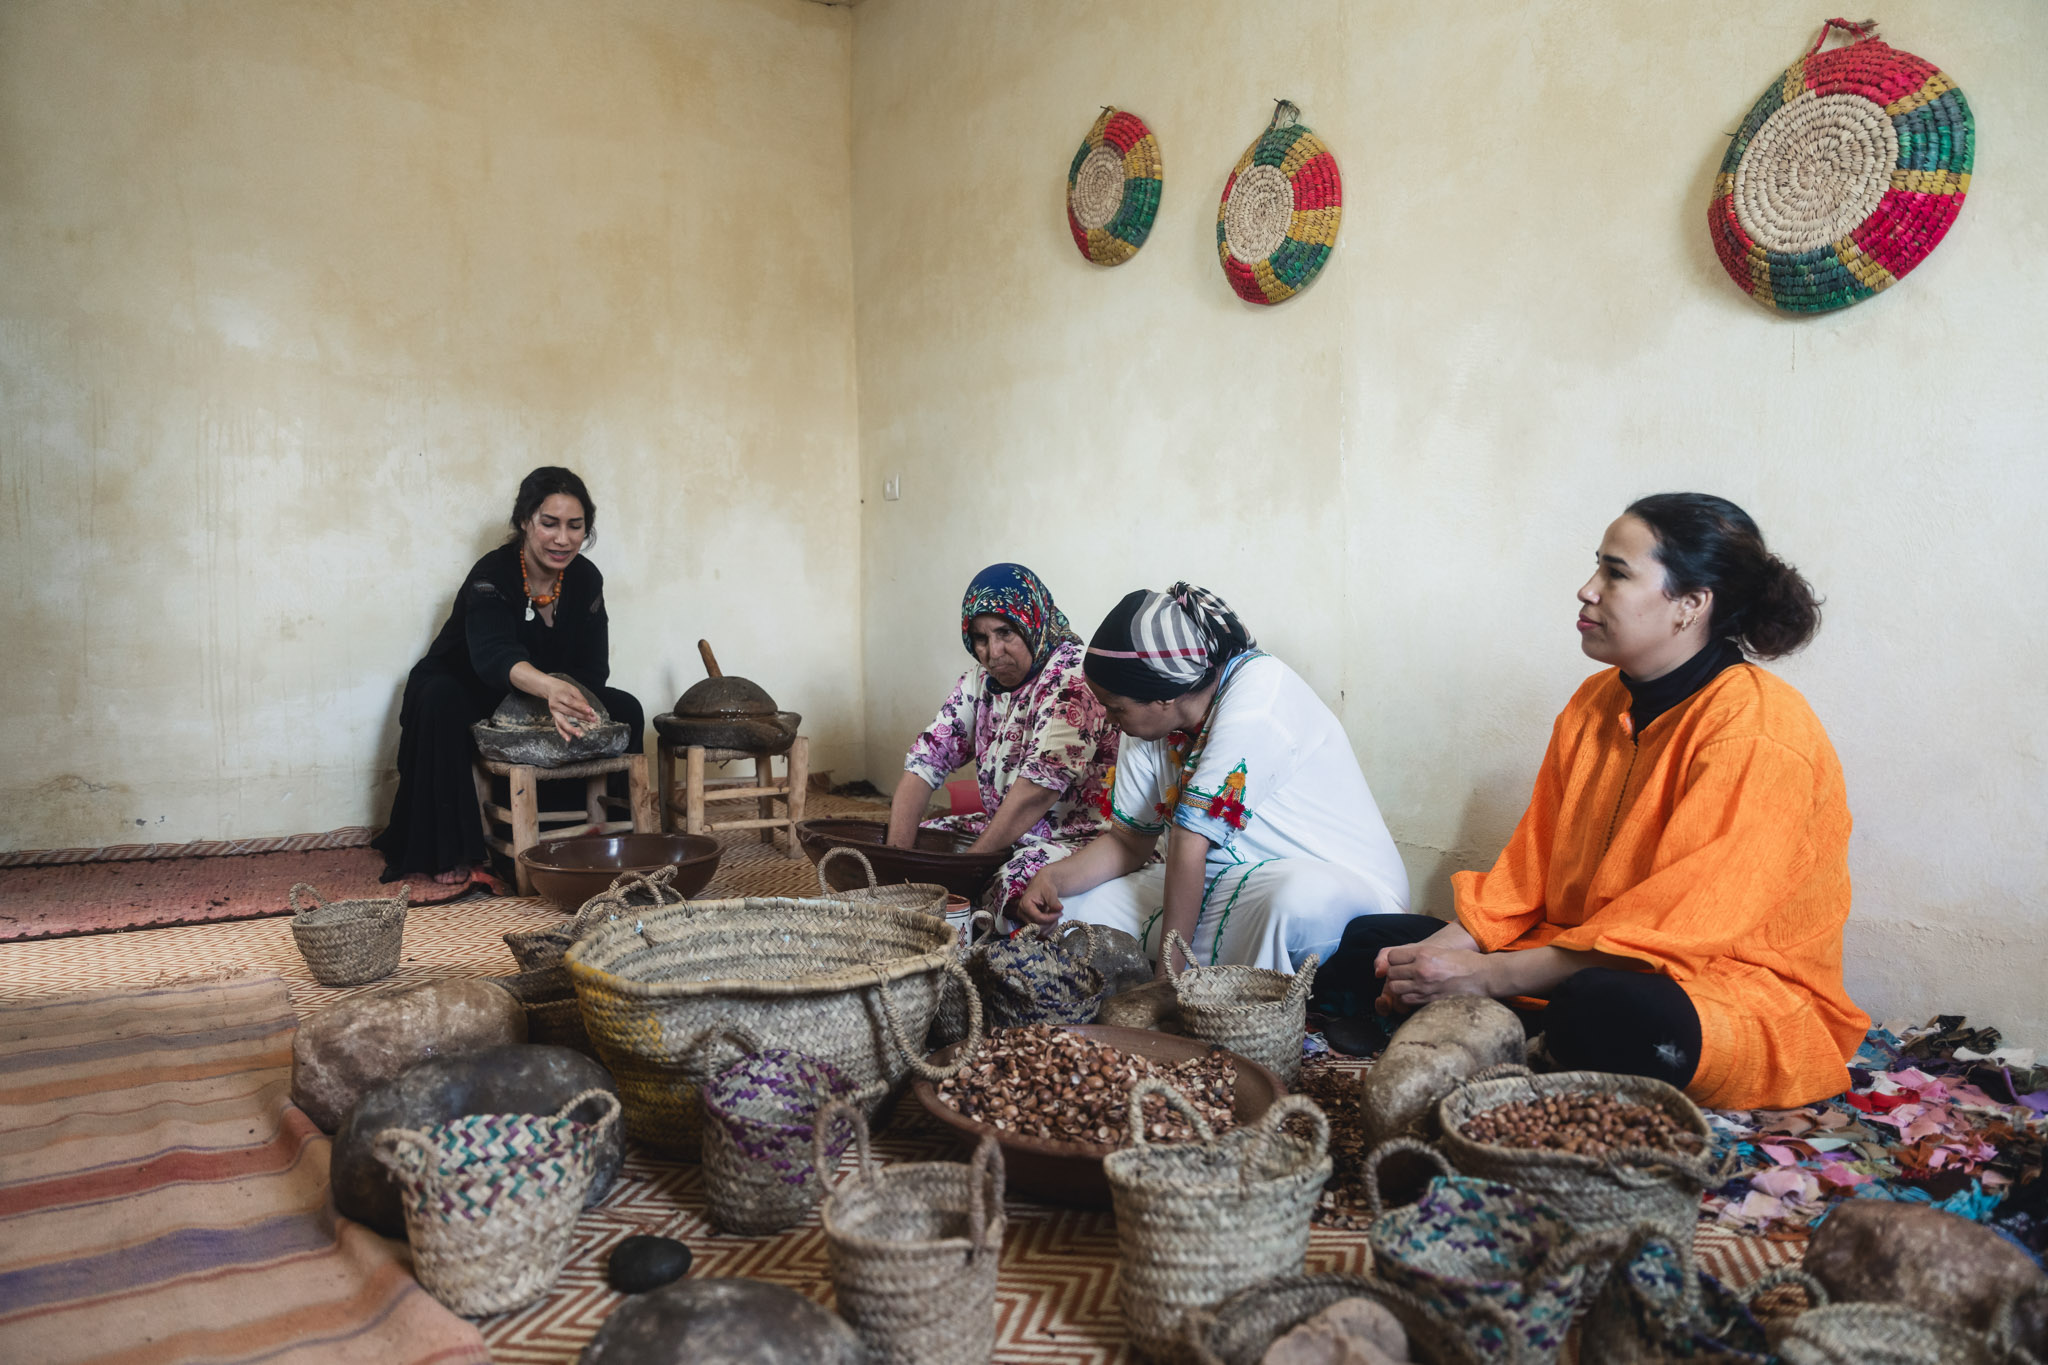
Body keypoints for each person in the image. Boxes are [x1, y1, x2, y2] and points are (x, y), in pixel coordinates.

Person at [1315, 494, 1869, 1111]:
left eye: (1616, 572)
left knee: (1608, 1008)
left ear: (1690, 604)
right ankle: (1492, 1021)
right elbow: (1527, 871)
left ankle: (1490, 1019)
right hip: (1578, 950)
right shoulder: (1595, 702)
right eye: (1596, 567)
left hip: (1724, 986)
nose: (1587, 589)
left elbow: (1678, 929)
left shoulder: (1760, 731)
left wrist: (1488, 976)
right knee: (1372, 942)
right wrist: (1447, 951)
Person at [1013, 583, 1410, 973]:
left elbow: (1189, 840)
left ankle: (1210, 993)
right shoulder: (1150, 720)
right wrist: (1053, 878)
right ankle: (1202, 968)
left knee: (1290, 901)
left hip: (1341, 890)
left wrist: (1167, 982)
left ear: (1163, 697)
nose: (1110, 720)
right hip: (1229, 881)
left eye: (1116, 709)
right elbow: (1129, 840)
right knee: (1082, 905)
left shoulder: (1259, 692)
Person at [372, 467, 643, 885]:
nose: (562, 538)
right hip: (470, 684)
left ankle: (607, 835)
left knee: (626, 708)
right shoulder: (492, 573)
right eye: (549, 523)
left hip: (540, 694)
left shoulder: (586, 579)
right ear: (524, 521)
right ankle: (454, 846)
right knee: (440, 698)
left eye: (575, 526)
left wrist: (566, 695)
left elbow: (594, 667)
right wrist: (550, 688)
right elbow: (492, 656)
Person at [889, 564, 1119, 917]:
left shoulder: (1072, 680)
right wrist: (894, 867)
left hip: (1074, 839)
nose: (993, 652)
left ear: (1032, 625)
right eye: (981, 638)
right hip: (1007, 833)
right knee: (921, 845)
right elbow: (926, 763)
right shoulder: (979, 682)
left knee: (1006, 885)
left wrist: (967, 870)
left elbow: (1037, 791)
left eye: (1006, 633)